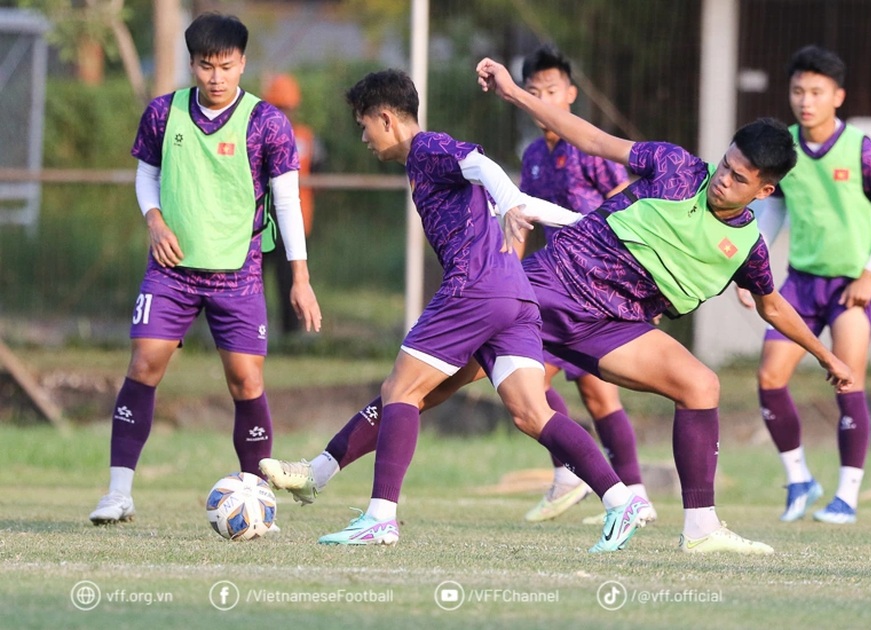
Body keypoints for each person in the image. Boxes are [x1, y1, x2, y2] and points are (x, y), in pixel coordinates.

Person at [262, 57, 857, 555]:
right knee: (430, 386)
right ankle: (320, 472)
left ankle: (698, 527)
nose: (721, 178)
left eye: (737, 177)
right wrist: (518, 95)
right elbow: (591, 136)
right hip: (548, 288)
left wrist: (823, 354)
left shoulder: (747, 245)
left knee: (701, 386)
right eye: (725, 164)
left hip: (615, 325)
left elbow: (772, 304)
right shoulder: (679, 168)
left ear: (765, 189)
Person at [299, 68, 649, 551]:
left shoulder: (427, 148)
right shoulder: (420, 163)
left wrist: (506, 204)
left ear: (385, 119)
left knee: (400, 388)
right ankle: (619, 497)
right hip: (516, 294)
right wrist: (587, 226)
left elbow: (480, 164)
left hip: (475, 289)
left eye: (363, 125)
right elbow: (524, 200)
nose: (363, 137)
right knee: (532, 413)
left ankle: (380, 516)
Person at [88, 12, 322, 526]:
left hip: (237, 274)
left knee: (245, 380)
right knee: (144, 363)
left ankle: (259, 499)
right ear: (192, 63)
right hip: (170, 271)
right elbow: (146, 178)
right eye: (205, 65)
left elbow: (286, 202)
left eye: (227, 66)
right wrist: (153, 219)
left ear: (243, 63)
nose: (216, 77)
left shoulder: (268, 123)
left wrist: (300, 278)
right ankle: (119, 492)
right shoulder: (162, 113)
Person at [738, 45, 871, 525]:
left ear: (837, 96)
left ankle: (847, 497)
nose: (805, 100)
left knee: (847, 381)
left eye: (816, 92)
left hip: (851, 287)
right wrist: (747, 264)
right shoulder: (784, 149)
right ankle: (798, 479)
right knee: (770, 378)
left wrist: (870, 271)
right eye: (798, 91)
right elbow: (773, 207)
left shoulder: (861, 149)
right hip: (799, 286)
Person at [516, 45, 651, 524]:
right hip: (557, 283)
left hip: (598, 285)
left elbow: (626, 198)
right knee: (581, 390)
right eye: (532, 92)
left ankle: (584, 477)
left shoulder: (587, 147)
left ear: (570, 94)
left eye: (550, 90)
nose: (542, 99)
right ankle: (627, 491)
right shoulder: (532, 155)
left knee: (536, 379)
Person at [262, 73, 322, 335]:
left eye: (286, 108)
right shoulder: (259, 135)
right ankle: (252, 332)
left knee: (290, 280)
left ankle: (291, 335)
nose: (283, 113)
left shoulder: (307, 137)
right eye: (279, 107)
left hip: (296, 219)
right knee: (253, 280)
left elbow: (321, 171)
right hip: (261, 221)